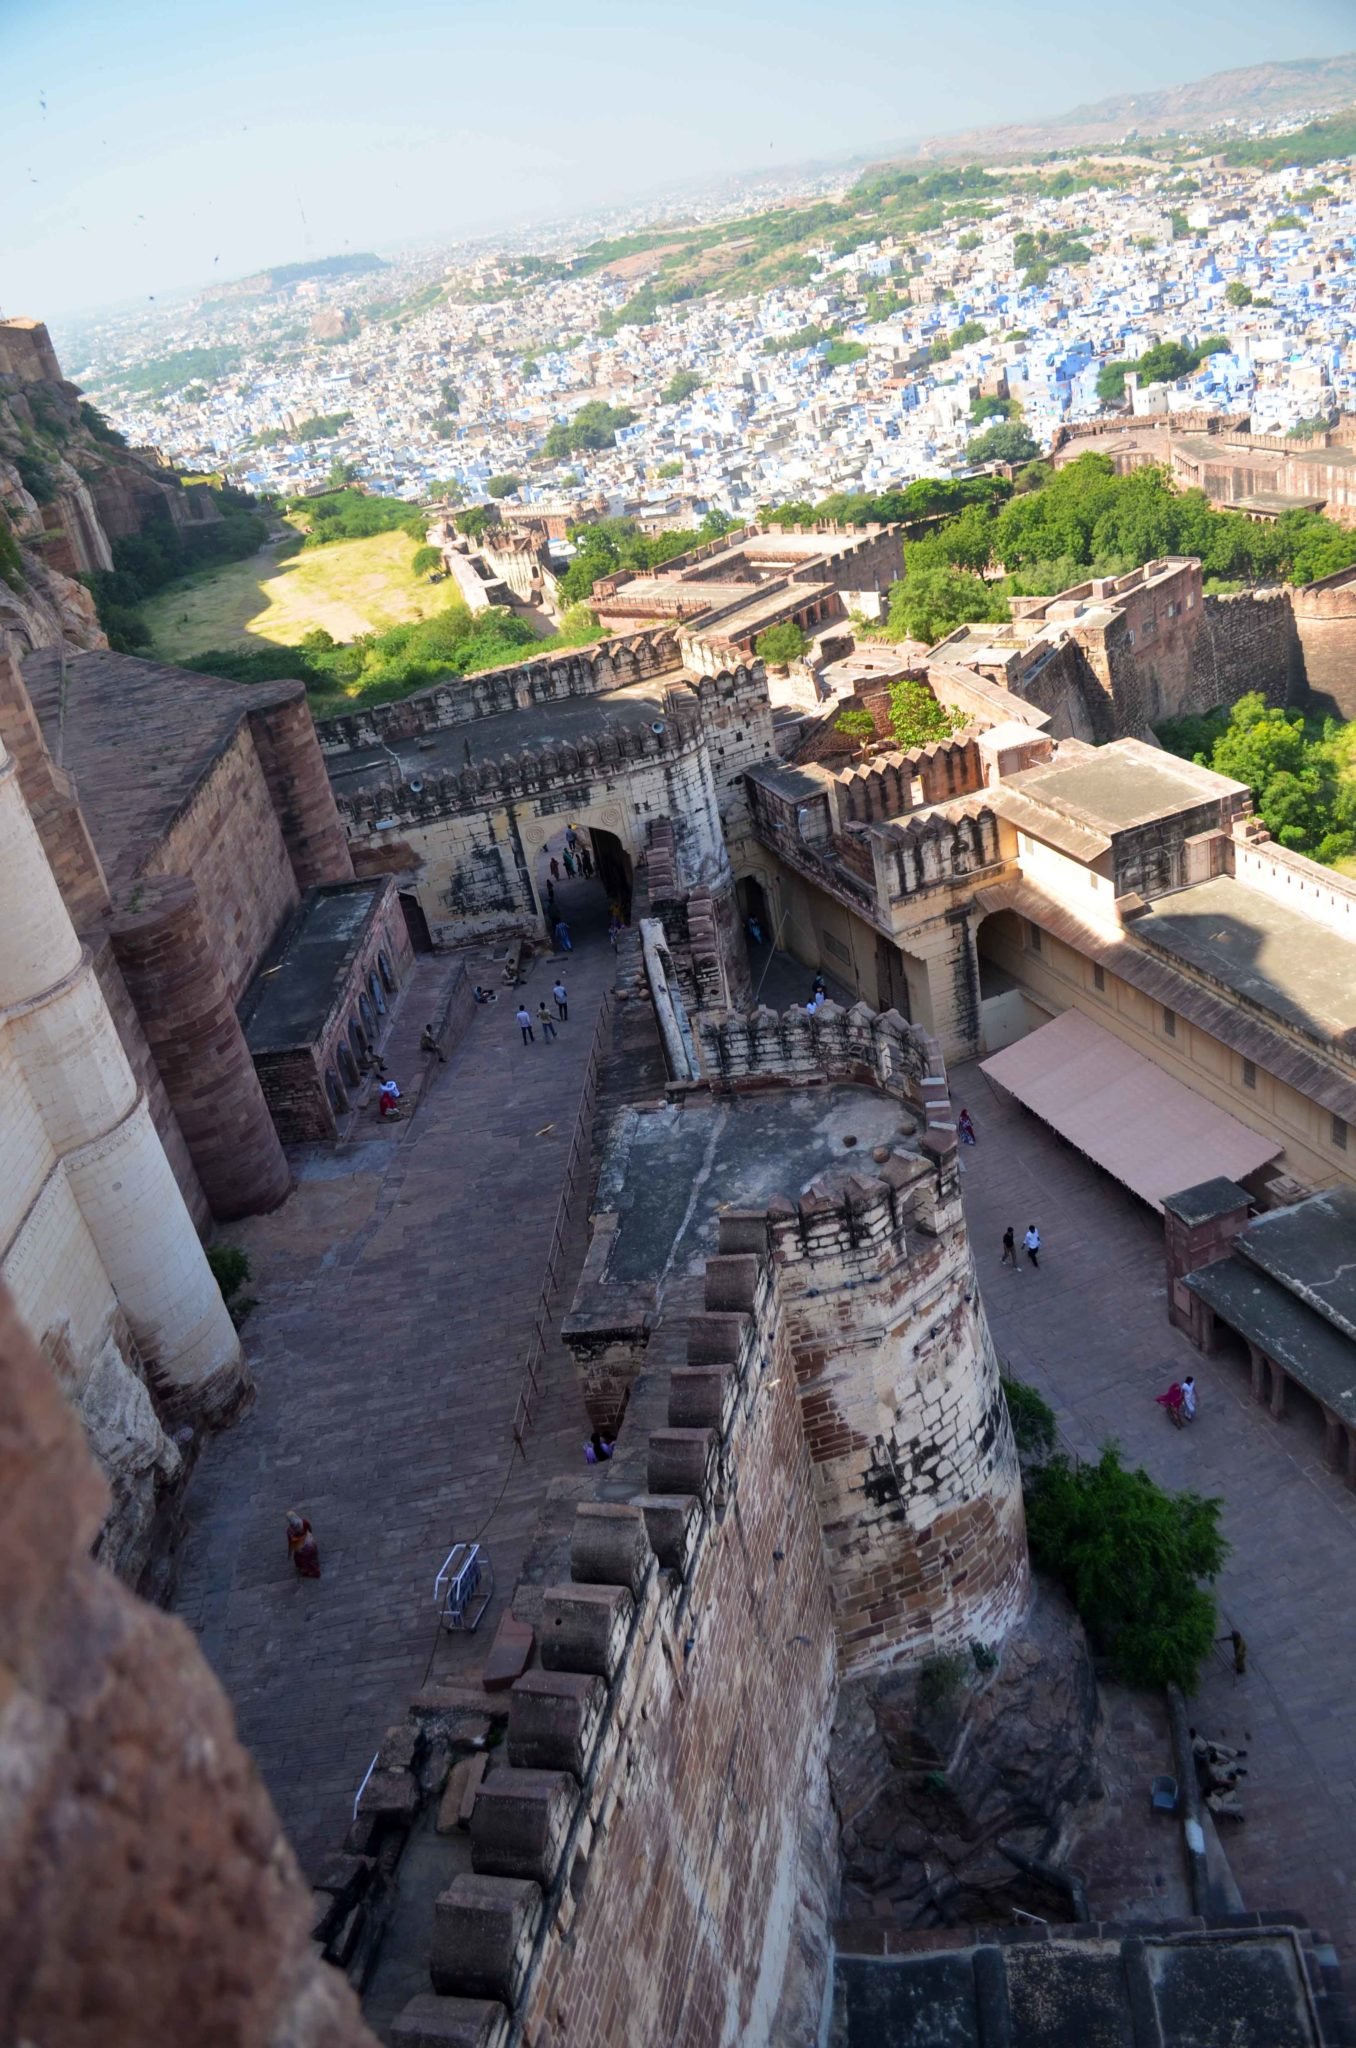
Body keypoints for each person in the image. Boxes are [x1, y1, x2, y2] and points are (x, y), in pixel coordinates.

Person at [286, 1510, 321, 1579]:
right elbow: (310, 1529)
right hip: (308, 1542)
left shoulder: (289, 1530)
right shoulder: (304, 1522)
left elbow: (290, 1541)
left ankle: (310, 1570)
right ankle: (312, 1569)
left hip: (300, 1546)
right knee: (309, 1557)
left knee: (303, 1558)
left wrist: (290, 1551)